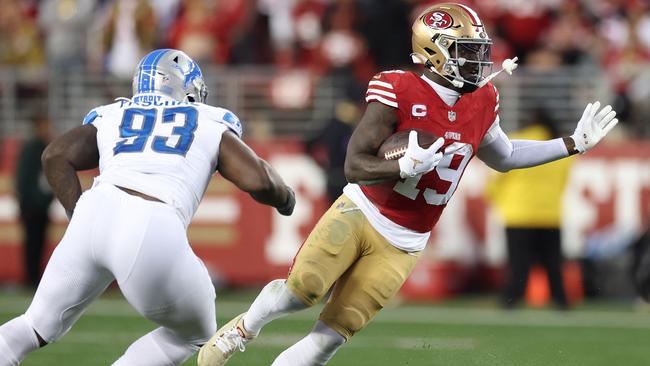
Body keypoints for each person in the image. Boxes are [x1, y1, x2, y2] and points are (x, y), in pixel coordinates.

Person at [198, 4, 618, 366]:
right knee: (301, 292)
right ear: (434, 52)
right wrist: (400, 169)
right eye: (466, 52)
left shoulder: (483, 100)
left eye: (479, 52)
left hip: (407, 239)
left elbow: (505, 157)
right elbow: (354, 164)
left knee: (331, 336)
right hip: (361, 212)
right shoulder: (399, 88)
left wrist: (572, 144)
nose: (478, 62)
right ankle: (242, 330)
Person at [0, 48, 295, 366]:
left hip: (96, 209)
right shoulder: (208, 120)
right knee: (194, 333)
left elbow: (54, 155)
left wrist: (80, 215)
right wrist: (286, 198)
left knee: (34, 325)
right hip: (151, 222)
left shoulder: (114, 114)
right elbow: (260, 181)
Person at [485, 109, 573, 309]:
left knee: (518, 264)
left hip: (518, 214)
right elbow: (563, 182)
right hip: (550, 214)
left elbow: (495, 181)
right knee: (553, 263)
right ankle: (561, 301)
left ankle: (512, 300)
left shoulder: (516, 141)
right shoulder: (560, 149)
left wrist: (500, 200)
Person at [15, 116, 54, 288]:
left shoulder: (39, 146)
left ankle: (34, 276)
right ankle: (30, 278)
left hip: (38, 205)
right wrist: (35, 201)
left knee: (37, 242)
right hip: (32, 206)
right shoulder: (33, 147)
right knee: (33, 242)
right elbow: (26, 179)